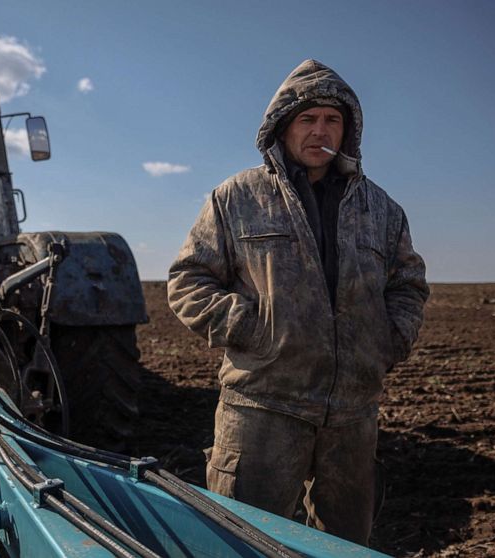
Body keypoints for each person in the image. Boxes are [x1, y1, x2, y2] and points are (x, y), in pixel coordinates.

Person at [167, 59, 429, 546]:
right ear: (282, 127)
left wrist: (388, 339)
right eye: (307, 119)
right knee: (241, 540)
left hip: (352, 413)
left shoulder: (382, 209)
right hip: (263, 404)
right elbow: (189, 280)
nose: (319, 131)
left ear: (348, 131)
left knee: (345, 545)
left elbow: (409, 284)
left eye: (332, 119)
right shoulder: (236, 198)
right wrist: (254, 329)